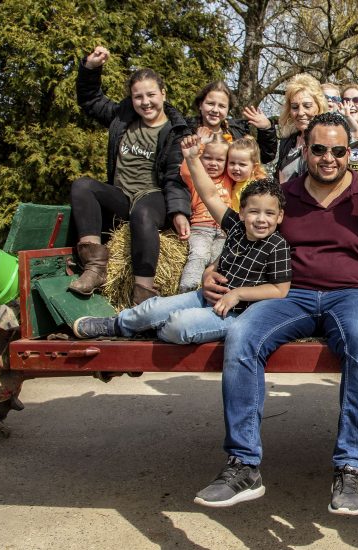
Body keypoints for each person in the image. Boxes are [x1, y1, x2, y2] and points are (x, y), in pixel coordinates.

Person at [195, 112, 358, 515]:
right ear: (304, 149)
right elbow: (249, 238)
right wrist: (214, 270)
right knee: (242, 338)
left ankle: (350, 467)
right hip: (292, 294)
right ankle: (243, 466)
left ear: (350, 152)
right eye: (319, 149)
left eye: (339, 151)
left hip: (354, 294)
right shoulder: (285, 195)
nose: (328, 158)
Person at [71, 139, 291, 344]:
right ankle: (116, 324)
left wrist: (238, 293)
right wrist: (193, 159)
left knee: (179, 324)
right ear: (241, 212)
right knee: (152, 309)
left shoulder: (277, 245)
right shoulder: (235, 226)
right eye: (254, 212)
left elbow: (280, 290)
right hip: (206, 297)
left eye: (269, 214)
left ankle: (149, 329)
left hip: (237, 313)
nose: (261, 219)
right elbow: (210, 195)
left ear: (279, 216)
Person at [70, 46, 191, 305]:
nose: (145, 102)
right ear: (131, 99)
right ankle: (94, 267)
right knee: (82, 186)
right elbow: (90, 101)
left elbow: (174, 176)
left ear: (163, 94)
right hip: (122, 196)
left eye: (151, 95)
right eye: (138, 97)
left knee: (143, 213)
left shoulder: (175, 131)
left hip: (152, 197)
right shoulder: (122, 118)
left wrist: (180, 212)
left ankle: (143, 291)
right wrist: (90, 68)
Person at [177, 132, 233, 292]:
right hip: (201, 228)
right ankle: (188, 289)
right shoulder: (196, 178)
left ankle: (218, 290)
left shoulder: (228, 178)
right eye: (208, 158)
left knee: (219, 259)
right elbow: (187, 168)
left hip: (223, 231)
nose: (213, 163)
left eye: (219, 159)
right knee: (199, 255)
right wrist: (199, 146)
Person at [188, 80, 277, 164]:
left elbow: (263, 157)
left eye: (222, 106)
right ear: (200, 105)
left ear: (228, 110)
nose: (215, 110)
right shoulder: (185, 131)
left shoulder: (238, 134)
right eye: (210, 104)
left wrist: (266, 129)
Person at [275, 73, 327, 184]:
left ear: (319, 106)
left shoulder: (328, 139)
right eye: (295, 107)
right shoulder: (287, 141)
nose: (300, 112)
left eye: (307, 106)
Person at [225, 137, 268, 212]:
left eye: (242, 164)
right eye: (232, 163)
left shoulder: (255, 188)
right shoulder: (230, 182)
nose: (236, 168)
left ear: (254, 167)